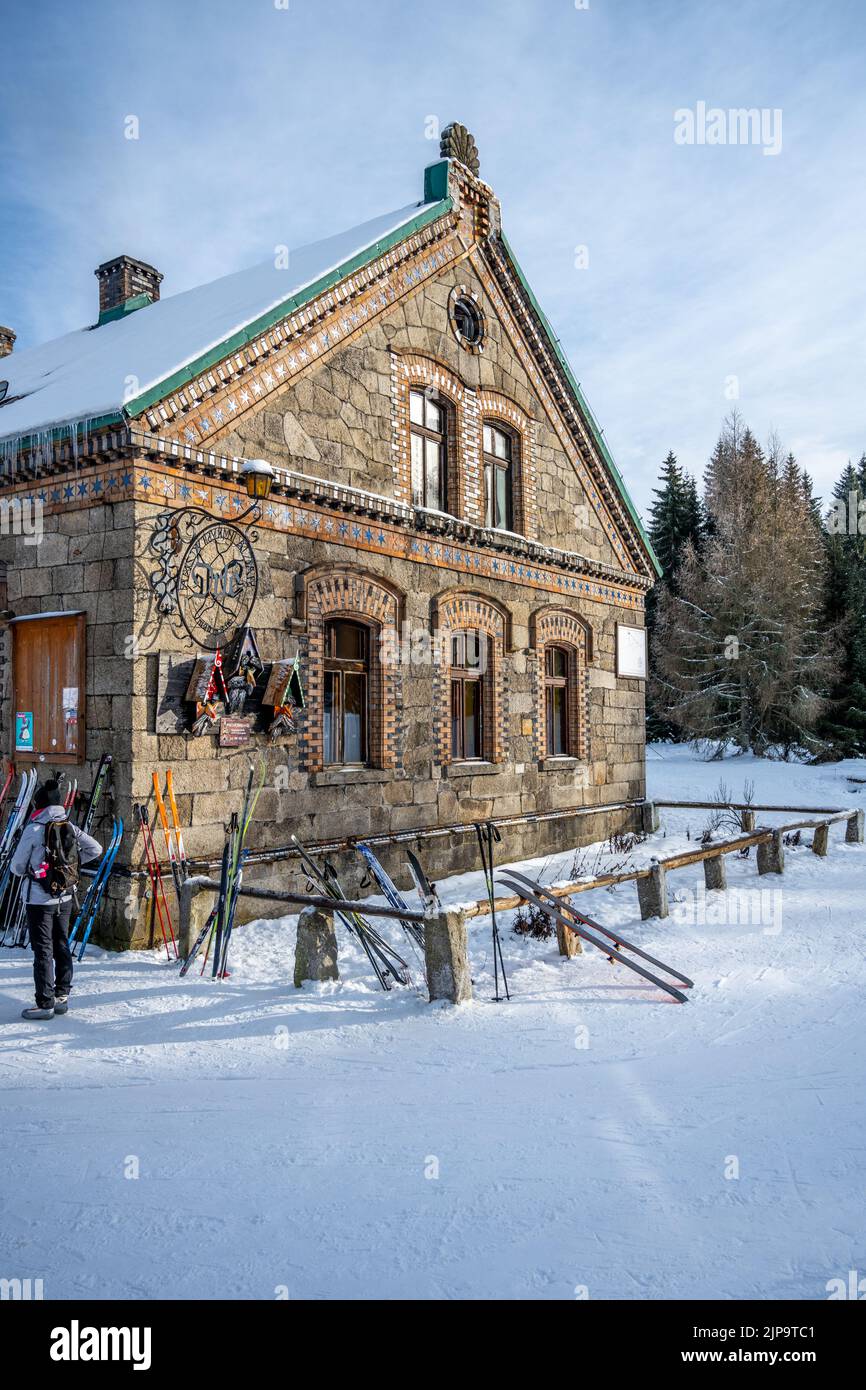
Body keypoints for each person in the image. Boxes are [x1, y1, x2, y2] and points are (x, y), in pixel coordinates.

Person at [12, 780, 102, 1020]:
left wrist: (40, 869)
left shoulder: (33, 829)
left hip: (39, 900)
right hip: (65, 897)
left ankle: (45, 1003)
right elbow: (96, 849)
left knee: (43, 950)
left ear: (39, 805)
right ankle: (62, 996)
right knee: (61, 944)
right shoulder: (69, 826)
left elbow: (17, 867)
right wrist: (71, 867)